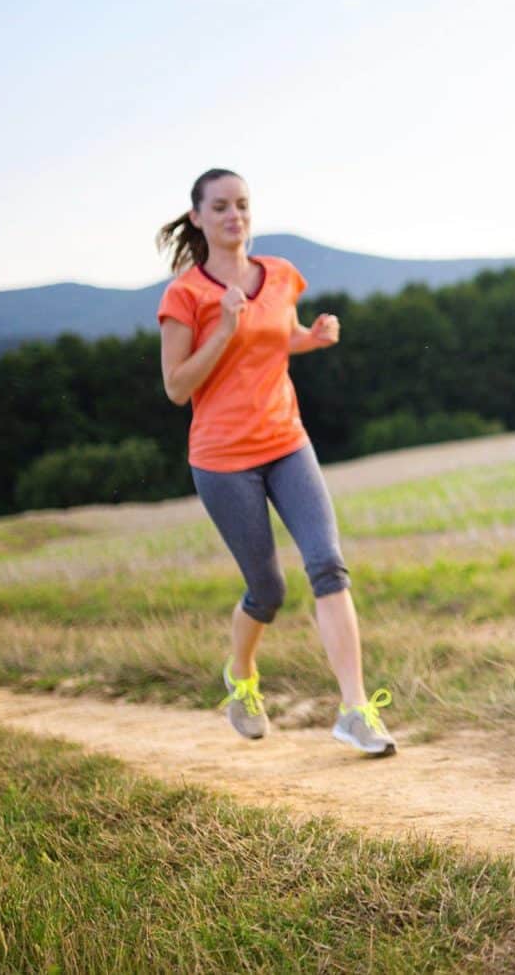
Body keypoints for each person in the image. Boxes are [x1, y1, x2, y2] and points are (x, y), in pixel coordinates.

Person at [156, 168, 396, 757]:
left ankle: (355, 710)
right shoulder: (184, 295)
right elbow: (177, 387)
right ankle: (240, 678)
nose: (233, 215)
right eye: (219, 207)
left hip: (287, 443)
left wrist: (309, 337)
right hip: (222, 460)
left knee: (328, 566)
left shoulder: (283, 275)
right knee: (266, 589)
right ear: (198, 218)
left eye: (241, 204)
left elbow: (276, 335)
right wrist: (224, 329)